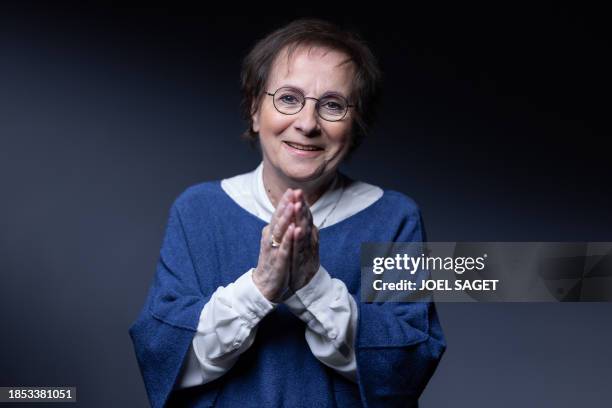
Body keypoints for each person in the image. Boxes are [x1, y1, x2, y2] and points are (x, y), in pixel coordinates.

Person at [129, 18, 445, 408]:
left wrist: (313, 285)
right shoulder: (198, 211)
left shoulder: (393, 218)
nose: (307, 124)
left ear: (357, 126)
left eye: (333, 105)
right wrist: (261, 287)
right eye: (289, 99)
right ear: (254, 110)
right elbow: (163, 355)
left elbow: (408, 366)